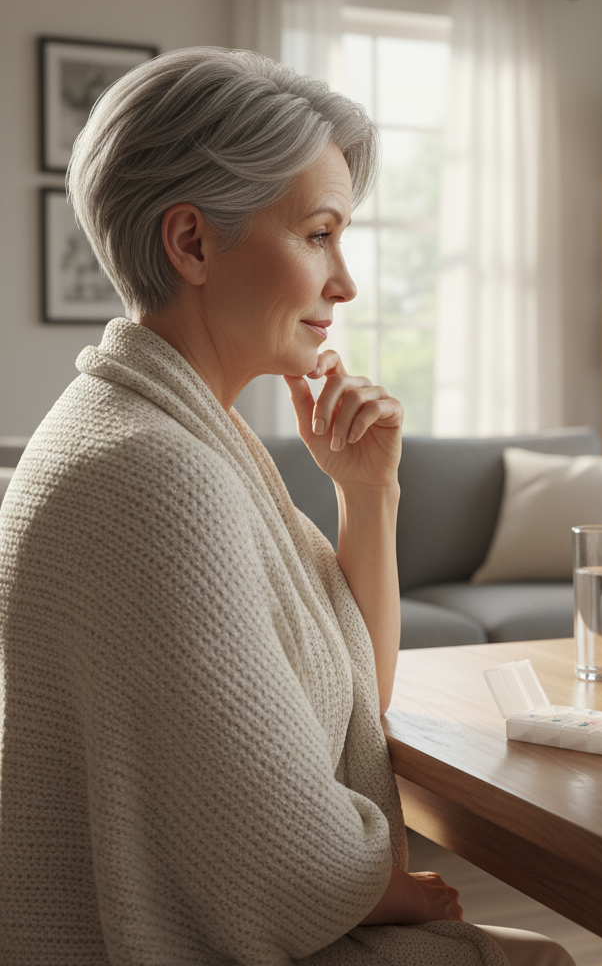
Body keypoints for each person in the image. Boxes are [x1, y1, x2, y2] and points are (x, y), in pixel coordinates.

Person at [0, 47, 573, 966]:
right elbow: (281, 869)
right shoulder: (159, 475)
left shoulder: (164, 431)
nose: (345, 281)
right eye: (318, 235)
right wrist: (389, 886)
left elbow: (351, 701)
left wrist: (367, 494)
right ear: (192, 243)